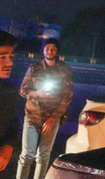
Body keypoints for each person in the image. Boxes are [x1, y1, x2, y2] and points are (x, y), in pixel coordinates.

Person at [17, 38, 73, 179]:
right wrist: (37, 93)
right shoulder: (34, 68)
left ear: (57, 51)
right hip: (32, 116)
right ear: (43, 50)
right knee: (27, 155)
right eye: (47, 48)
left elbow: (67, 96)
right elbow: (23, 91)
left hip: (51, 119)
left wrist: (53, 117)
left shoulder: (64, 70)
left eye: (53, 48)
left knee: (43, 156)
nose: (50, 51)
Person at [0, 31, 18, 178]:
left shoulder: (9, 92)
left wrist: (8, 147)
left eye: (11, 57)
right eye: (3, 57)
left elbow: (12, 124)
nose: (9, 63)